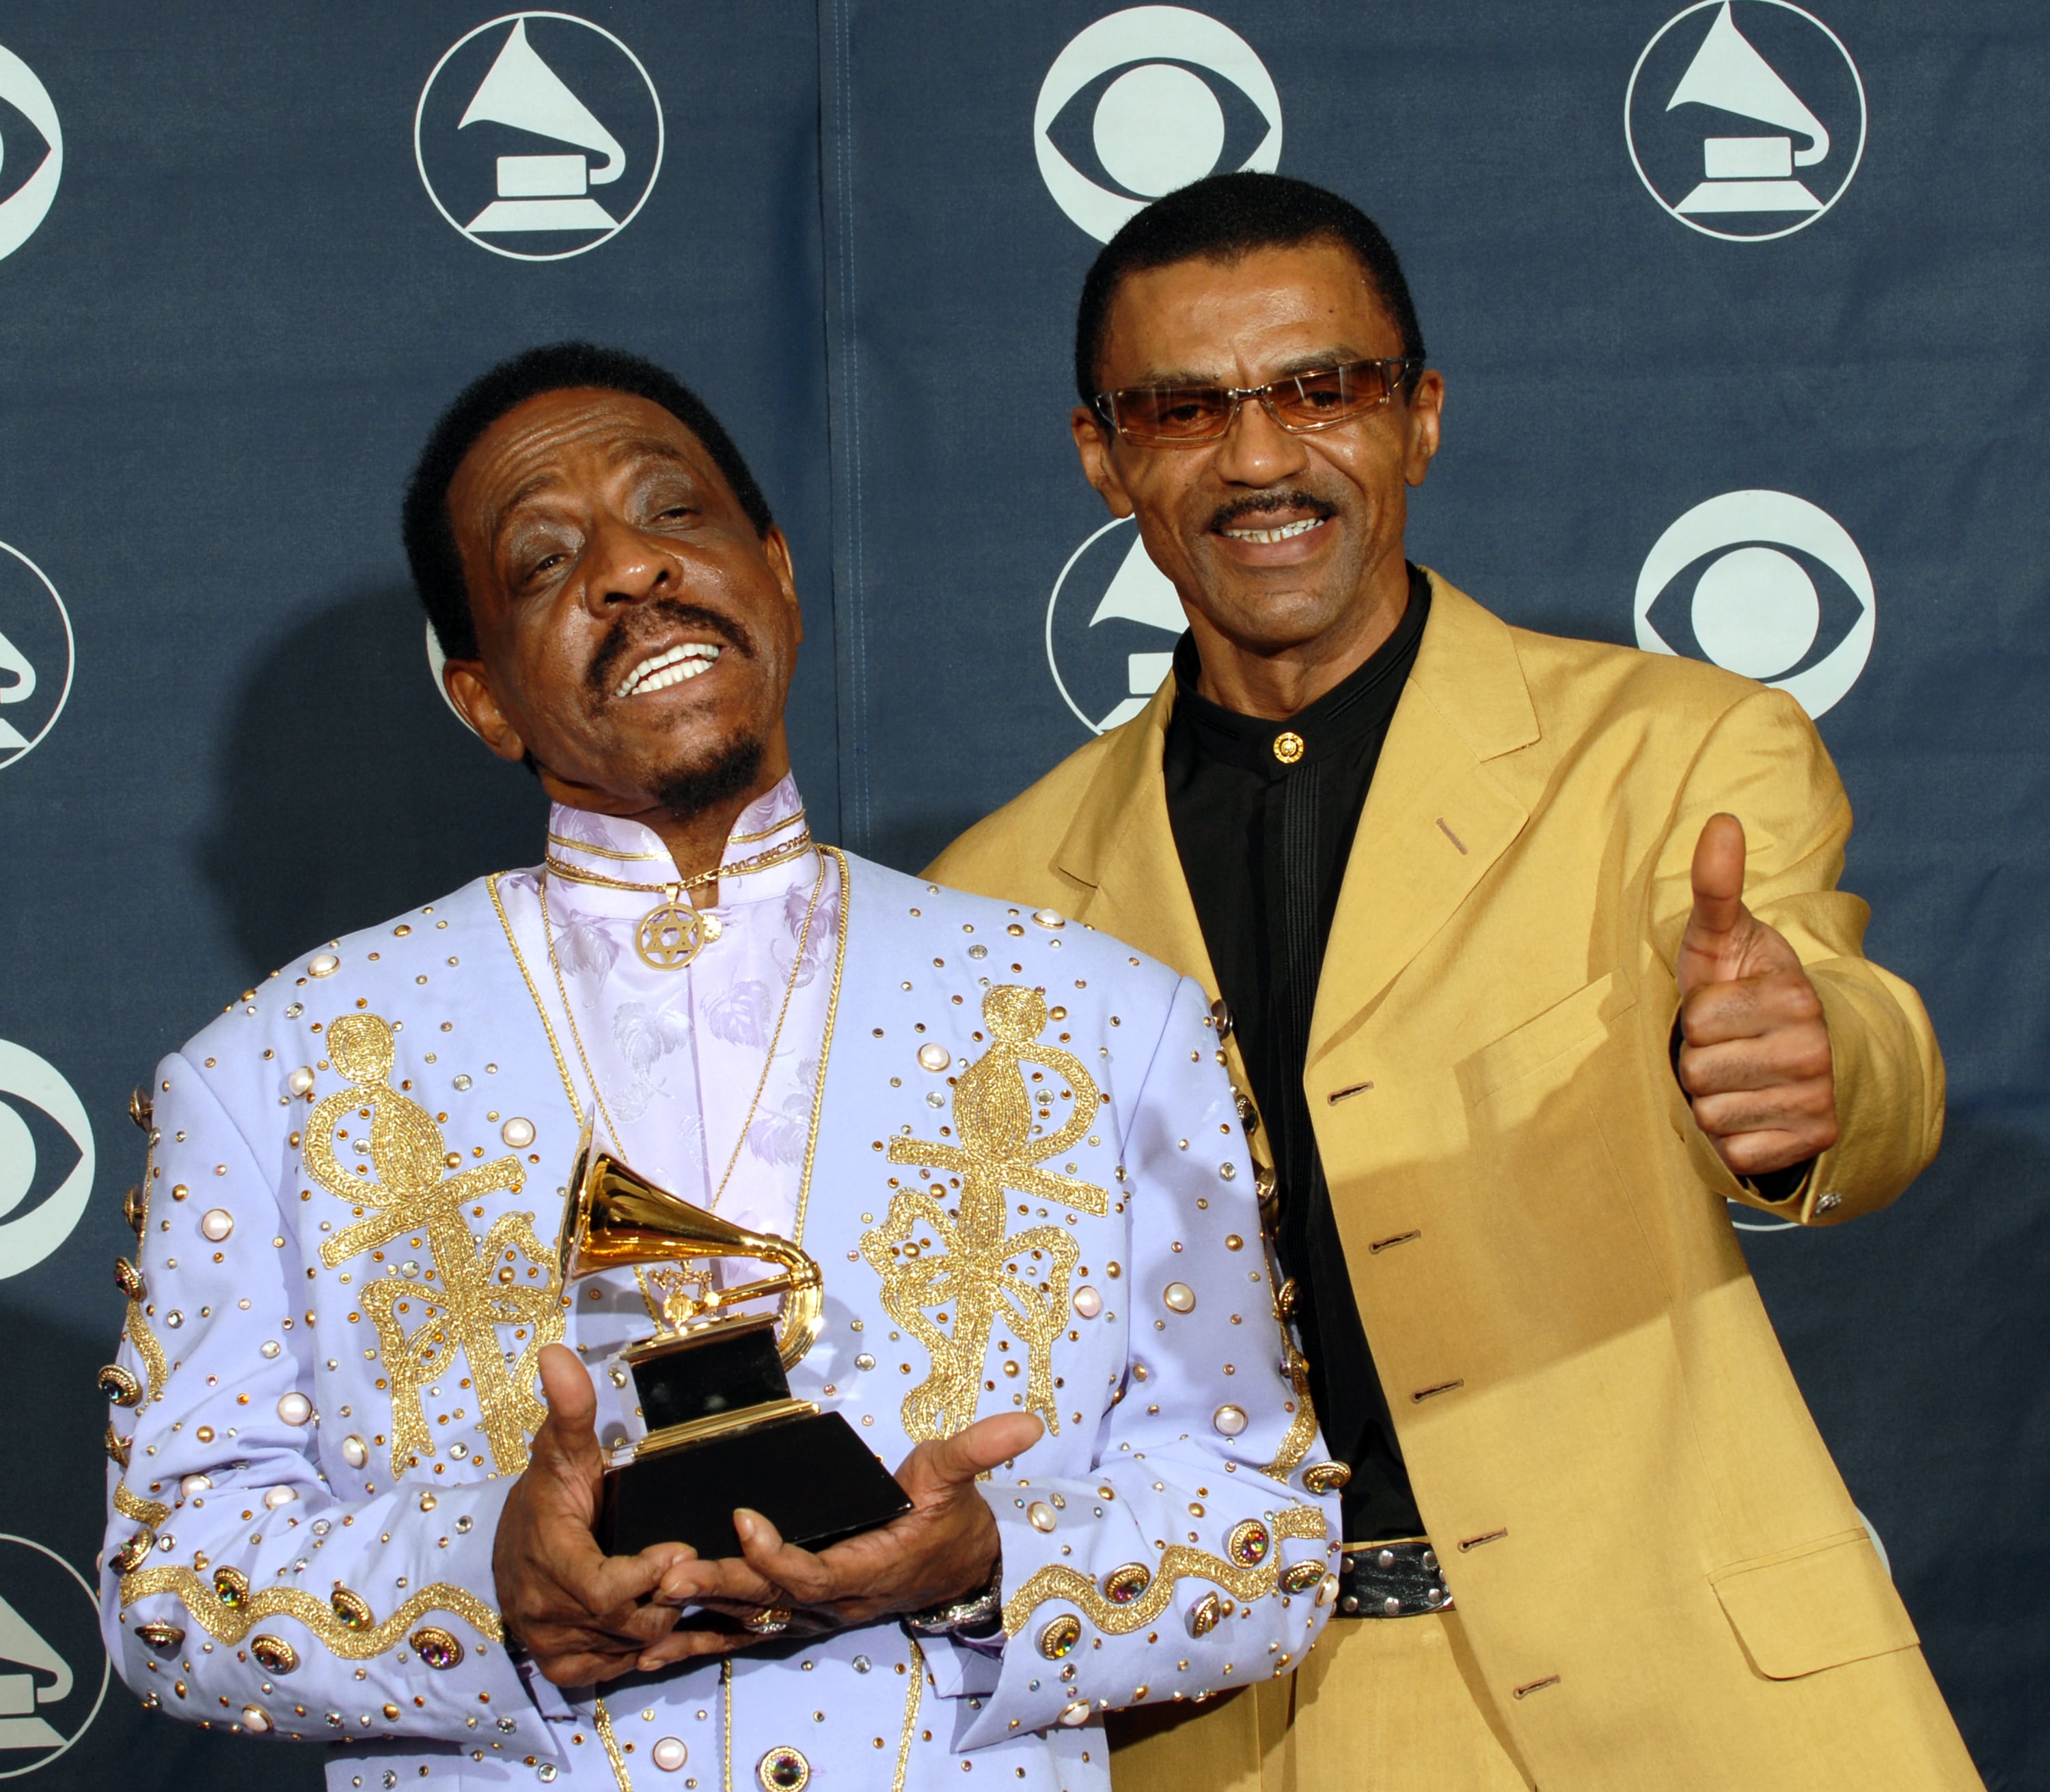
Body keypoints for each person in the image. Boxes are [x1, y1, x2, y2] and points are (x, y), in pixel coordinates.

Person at [96, 342, 1341, 1790]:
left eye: (672, 512)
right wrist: (481, 1579)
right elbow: (168, 1588)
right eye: (546, 557)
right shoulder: (274, 1074)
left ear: (782, 577)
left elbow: (1272, 1536)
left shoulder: (1106, 1020)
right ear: (482, 697)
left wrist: (995, 1557)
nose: (630, 569)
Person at [929, 175, 1982, 1792]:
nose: (1262, 457)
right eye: (1186, 410)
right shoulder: (990, 897)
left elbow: (1848, 1019)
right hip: (1211, 1726)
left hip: (1682, 1701)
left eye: (1320, 389)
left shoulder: (1671, 749)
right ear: (1105, 455)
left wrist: (1814, 1068)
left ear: (1419, 416)